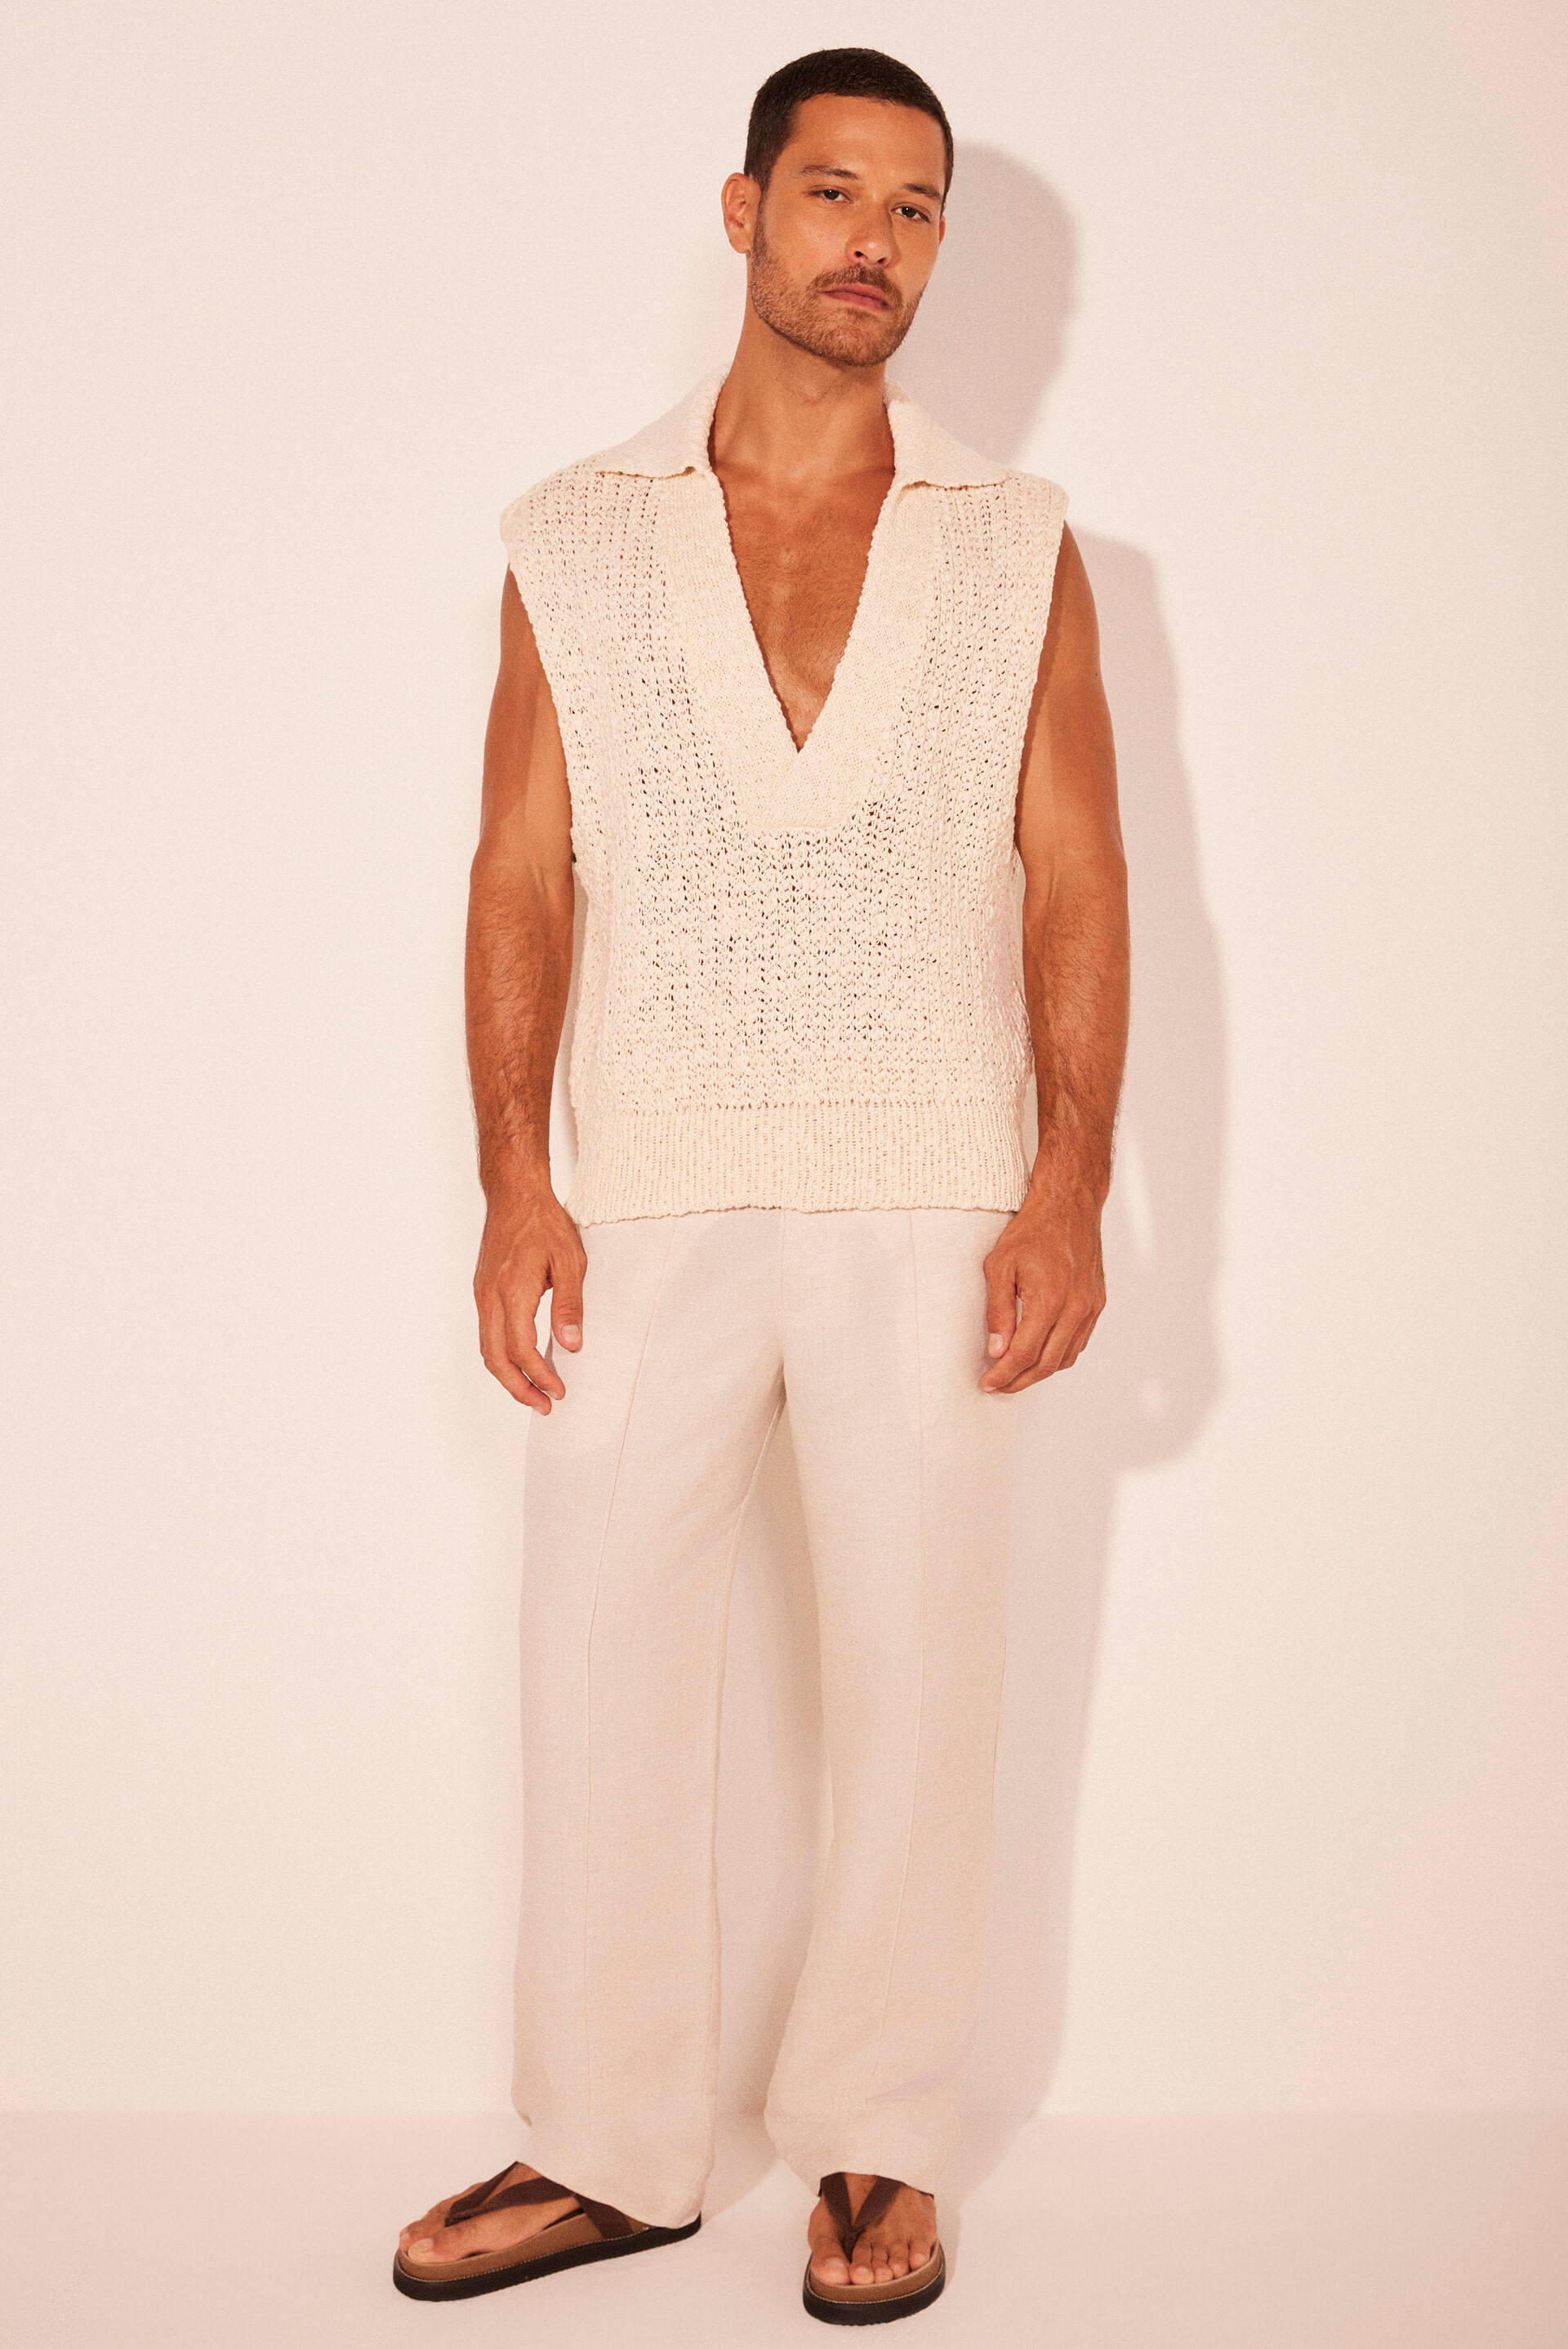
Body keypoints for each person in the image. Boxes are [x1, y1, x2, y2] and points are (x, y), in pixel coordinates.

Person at [394, 44, 1129, 2324]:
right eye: (833, 195)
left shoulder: (1013, 540)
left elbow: (1079, 879)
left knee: (922, 1677)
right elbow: (520, 869)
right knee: (597, 1653)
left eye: (916, 210)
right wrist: (513, 1180)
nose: (872, 245)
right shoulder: (575, 533)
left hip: (935, 1186)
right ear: (743, 212)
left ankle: (880, 2137)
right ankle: (610, 2140)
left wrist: (1072, 1183)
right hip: (650, 1179)